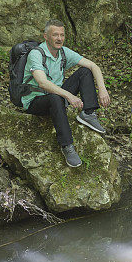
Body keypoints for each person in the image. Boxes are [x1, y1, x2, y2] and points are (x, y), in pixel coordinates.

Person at [21, 19, 111, 167]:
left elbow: (93, 65)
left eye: (62, 35)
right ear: (46, 36)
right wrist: (68, 95)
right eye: (55, 35)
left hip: (57, 96)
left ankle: (88, 113)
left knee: (85, 71)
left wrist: (102, 89)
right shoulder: (36, 54)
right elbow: (43, 83)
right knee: (55, 97)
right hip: (35, 101)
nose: (59, 38)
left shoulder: (63, 52)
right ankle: (67, 146)